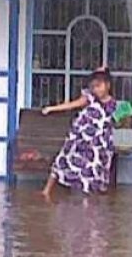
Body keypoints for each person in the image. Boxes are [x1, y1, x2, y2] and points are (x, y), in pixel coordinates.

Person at [41, 67, 117, 198]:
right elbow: (72, 104)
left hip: (99, 143)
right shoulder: (89, 98)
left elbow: (117, 122)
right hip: (80, 138)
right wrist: (52, 108)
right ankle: (46, 191)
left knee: (94, 168)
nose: (96, 90)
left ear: (108, 85)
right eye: (94, 87)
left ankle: (88, 199)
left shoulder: (114, 104)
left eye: (99, 86)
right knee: (63, 159)